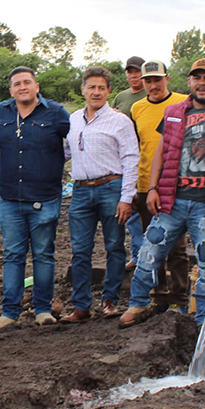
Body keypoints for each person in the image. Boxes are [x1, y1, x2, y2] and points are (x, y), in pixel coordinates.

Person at [121, 59, 205, 328]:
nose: (202, 83)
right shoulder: (173, 112)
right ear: (189, 82)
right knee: (149, 252)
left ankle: (204, 319)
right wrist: (154, 187)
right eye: (196, 78)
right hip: (173, 200)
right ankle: (138, 302)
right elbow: (161, 152)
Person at [0, 68, 70, 330]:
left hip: (45, 198)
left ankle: (43, 310)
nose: (22, 87)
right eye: (17, 84)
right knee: (13, 255)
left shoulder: (57, 113)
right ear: (11, 90)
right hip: (10, 199)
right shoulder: (2, 112)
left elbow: (80, 133)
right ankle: (9, 312)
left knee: (44, 255)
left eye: (27, 82)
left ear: (37, 86)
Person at [61, 66, 139, 322]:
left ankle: (110, 300)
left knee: (114, 246)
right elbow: (65, 152)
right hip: (81, 191)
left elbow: (131, 159)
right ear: (82, 89)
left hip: (111, 188)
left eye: (102, 88)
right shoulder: (72, 120)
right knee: (80, 249)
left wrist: (126, 197)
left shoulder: (119, 121)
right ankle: (81, 306)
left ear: (109, 91)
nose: (96, 92)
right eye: (91, 87)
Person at [130, 60, 190, 311]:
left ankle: (179, 296)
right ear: (142, 83)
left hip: (176, 184)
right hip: (146, 184)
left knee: (176, 245)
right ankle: (158, 294)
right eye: (148, 81)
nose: (153, 85)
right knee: (151, 244)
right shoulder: (137, 108)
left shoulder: (185, 102)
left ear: (167, 78)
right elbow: (136, 146)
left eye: (157, 80)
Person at [113, 56, 147, 270]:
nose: (133, 76)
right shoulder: (121, 97)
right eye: (130, 72)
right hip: (123, 158)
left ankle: (150, 255)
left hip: (147, 156)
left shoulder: (150, 94)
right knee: (131, 209)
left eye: (137, 72)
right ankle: (137, 253)